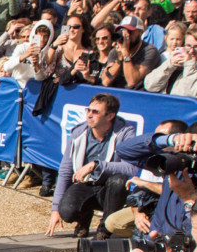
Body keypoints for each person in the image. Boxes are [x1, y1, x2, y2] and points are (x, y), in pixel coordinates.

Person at [47, 94, 134, 239]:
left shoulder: (125, 133)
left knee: (119, 181)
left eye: (95, 112)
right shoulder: (78, 132)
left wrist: (96, 165)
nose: (89, 115)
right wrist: (55, 208)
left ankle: (105, 229)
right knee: (66, 212)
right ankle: (83, 220)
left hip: (110, 187)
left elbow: (131, 168)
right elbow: (65, 170)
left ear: (110, 116)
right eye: (88, 110)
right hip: (85, 183)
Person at [146, 21, 197, 99]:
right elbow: (150, 86)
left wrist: (189, 64)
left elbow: (195, 93)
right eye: (188, 45)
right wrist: (169, 65)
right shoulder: (175, 59)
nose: (191, 51)